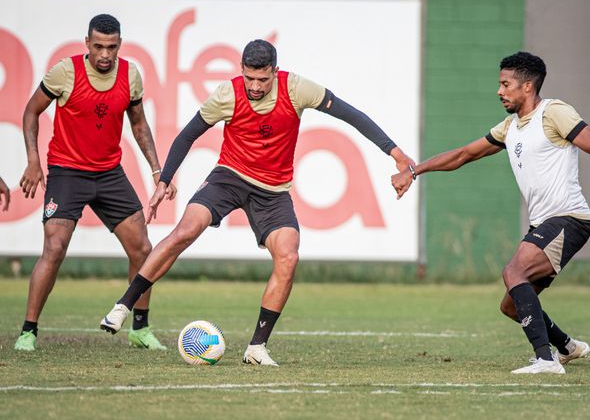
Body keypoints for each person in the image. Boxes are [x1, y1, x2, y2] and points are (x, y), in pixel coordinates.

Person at [100, 39, 415, 366]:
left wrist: (395, 153)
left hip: (273, 192)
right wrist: (164, 181)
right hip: (229, 177)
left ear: (274, 73)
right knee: (185, 231)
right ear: (242, 71)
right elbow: (187, 135)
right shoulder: (228, 94)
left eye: (262, 80)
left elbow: (352, 115)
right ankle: (123, 306)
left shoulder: (296, 89)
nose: (254, 86)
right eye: (249, 78)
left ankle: (256, 348)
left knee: (289, 256)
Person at [391, 51, 590, 374]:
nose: (499, 91)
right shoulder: (510, 127)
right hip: (545, 223)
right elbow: (464, 155)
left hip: (569, 218)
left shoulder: (554, 112)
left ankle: (545, 360)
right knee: (511, 305)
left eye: (505, 84)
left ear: (527, 86)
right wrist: (414, 171)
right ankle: (568, 346)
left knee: (513, 273)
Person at [14, 14, 176, 352]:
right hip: (67, 172)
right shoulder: (65, 72)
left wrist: (157, 170)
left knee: (143, 249)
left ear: (119, 45)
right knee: (55, 248)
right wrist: (33, 160)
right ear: (87, 43)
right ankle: (28, 331)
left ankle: (140, 329)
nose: (105, 54)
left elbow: (140, 125)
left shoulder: (130, 75)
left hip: (109, 174)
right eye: (99, 46)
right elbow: (31, 111)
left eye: (112, 47)